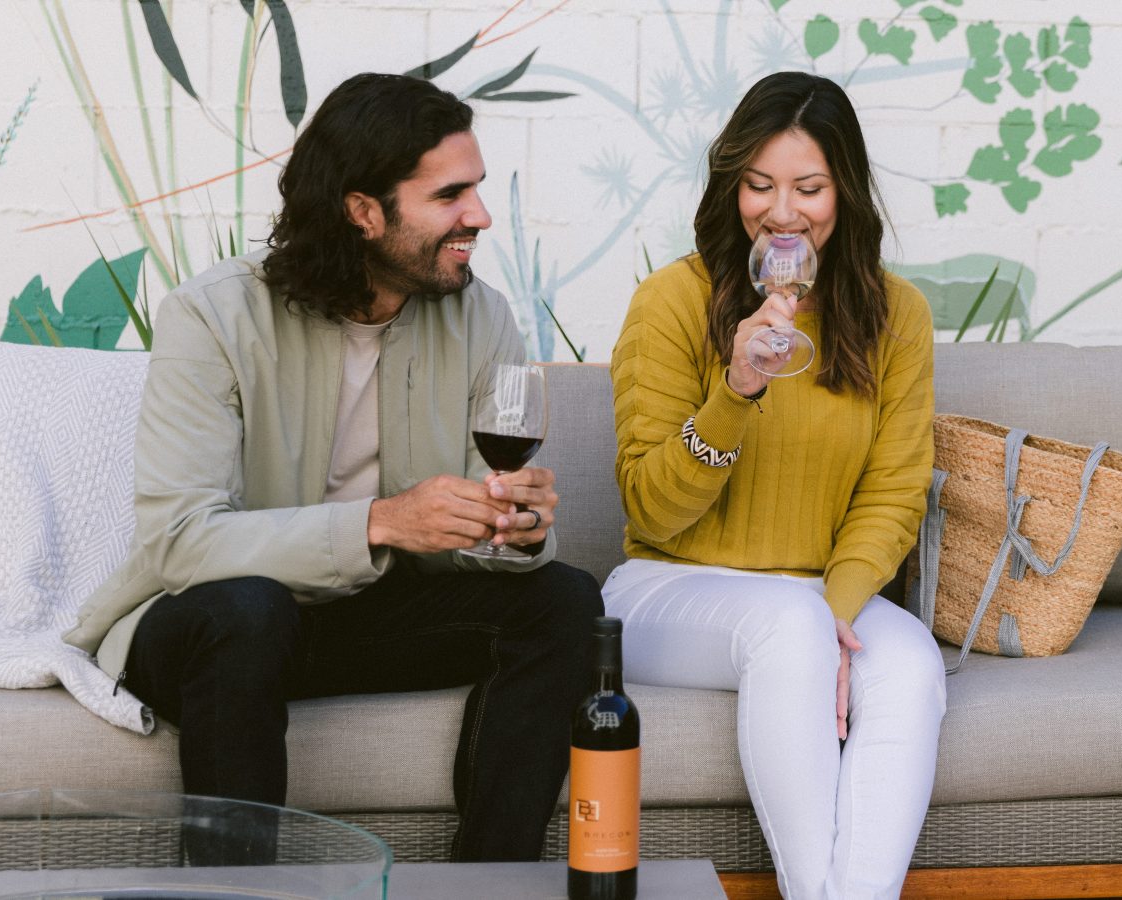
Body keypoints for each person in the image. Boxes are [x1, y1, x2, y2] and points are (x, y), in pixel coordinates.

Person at [64, 73, 604, 862]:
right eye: (451, 195)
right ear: (363, 212)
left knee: (565, 600)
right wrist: (383, 521)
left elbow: (472, 521)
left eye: (477, 190)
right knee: (249, 611)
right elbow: (181, 543)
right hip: (213, 629)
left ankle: (488, 880)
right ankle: (234, 894)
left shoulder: (479, 313)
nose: (479, 217)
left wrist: (511, 527)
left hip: (370, 614)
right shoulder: (213, 315)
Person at [603, 71, 944, 899]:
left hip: (817, 597)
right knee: (792, 625)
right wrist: (738, 392)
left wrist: (838, 608)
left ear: (846, 193)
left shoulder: (896, 316)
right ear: (731, 189)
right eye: (759, 186)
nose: (782, 213)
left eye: (808, 188)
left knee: (909, 665)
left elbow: (894, 493)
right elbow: (651, 504)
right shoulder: (673, 302)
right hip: (666, 589)